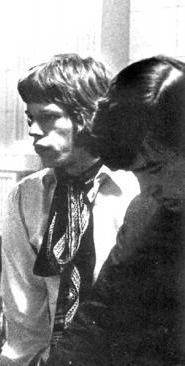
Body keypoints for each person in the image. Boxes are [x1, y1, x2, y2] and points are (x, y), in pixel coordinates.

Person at [0, 54, 140, 366]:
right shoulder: (26, 197)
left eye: (47, 117)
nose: (33, 131)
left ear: (88, 115)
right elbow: (24, 317)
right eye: (30, 118)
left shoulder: (136, 192)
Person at [47, 55, 185, 365]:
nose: (151, 188)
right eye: (139, 173)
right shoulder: (146, 212)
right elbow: (99, 312)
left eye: (157, 167)